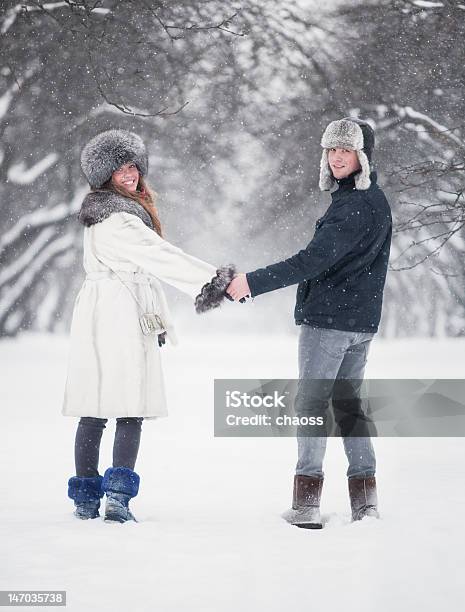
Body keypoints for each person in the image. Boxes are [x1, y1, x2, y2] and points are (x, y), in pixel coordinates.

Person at [226, 117, 392, 528]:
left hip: (330, 322)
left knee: (313, 405)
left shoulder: (353, 207)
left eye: (346, 150)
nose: (337, 157)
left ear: (362, 157)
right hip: (360, 323)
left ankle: (306, 504)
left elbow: (311, 260)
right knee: (350, 407)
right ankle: (365, 502)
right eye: (332, 149)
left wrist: (251, 282)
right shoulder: (373, 201)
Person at [63, 129, 235, 523]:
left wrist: (156, 318)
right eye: (120, 168)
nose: (130, 174)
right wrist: (213, 281)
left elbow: (145, 267)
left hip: (104, 312)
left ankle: (87, 499)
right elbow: (161, 257)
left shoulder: (104, 215)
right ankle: (118, 499)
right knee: (129, 407)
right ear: (104, 175)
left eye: (133, 166)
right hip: (118, 315)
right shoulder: (119, 219)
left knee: (93, 409)